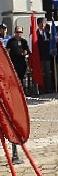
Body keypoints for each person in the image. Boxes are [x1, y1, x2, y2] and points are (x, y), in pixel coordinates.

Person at [5, 26, 29, 165]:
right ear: (14, 33)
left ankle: (23, 97)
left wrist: (24, 52)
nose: (19, 34)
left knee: (22, 86)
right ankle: (14, 155)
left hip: (22, 67)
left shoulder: (24, 42)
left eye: (21, 32)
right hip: (13, 68)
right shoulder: (11, 42)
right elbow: (7, 53)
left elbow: (27, 52)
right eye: (18, 32)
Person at [36, 18, 52, 93]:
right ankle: (41, 89)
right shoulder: (35, 34)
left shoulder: (48, 33)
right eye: (41, 23)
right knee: (41, 73)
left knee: (48, 73)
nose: (43, 25)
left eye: (44, 23)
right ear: (38, 24)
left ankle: (48, 88)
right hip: (40, 57)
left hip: (47, 57)